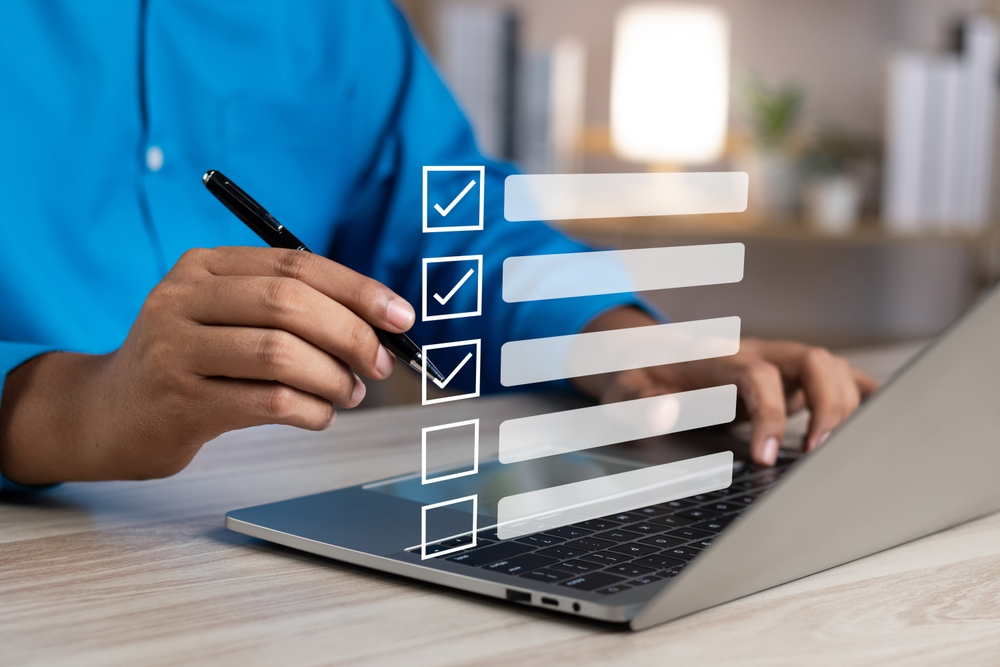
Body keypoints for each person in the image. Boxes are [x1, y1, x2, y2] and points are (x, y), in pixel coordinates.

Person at [0, 1, 874, 491]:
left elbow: (451, 221)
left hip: (271, 556)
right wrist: (80, 407)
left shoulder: (338, 18)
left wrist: (631, 352)